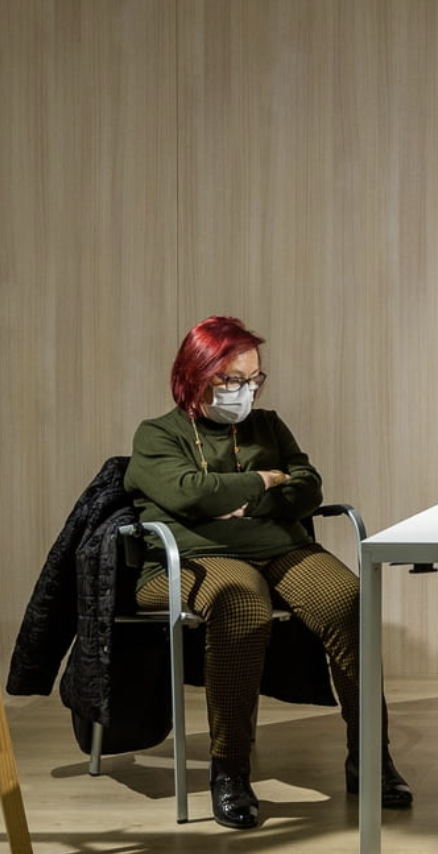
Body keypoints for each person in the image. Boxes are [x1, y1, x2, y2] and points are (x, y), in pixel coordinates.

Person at [125, 315, 411, 828]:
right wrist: (263, 479)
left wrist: (242, 501)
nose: (245, 391)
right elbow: (190, 493)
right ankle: (229, 769)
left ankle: (370, 756)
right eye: (230, 380)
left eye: (253, 379)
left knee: (348, 599)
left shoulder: (269, 425)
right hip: (194, 558)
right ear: (196, 374)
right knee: (241, 605)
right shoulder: (157, 435)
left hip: (280, 548)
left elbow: (308, 488)